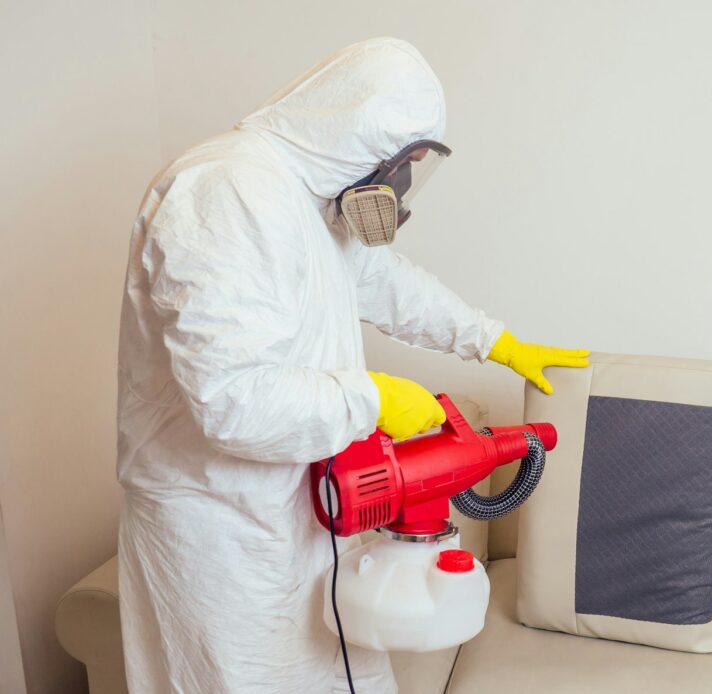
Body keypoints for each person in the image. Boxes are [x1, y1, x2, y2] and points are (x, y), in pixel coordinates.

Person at [116, 37, 588, 693]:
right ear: (357, 129)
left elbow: (384, 282)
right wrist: (374, 398)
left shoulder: (310, 201)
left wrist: (493, 340)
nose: (398, 184)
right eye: (402, 162)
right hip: (224, 541)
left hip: (305, 514)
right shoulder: (225, 191)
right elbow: (231, 401)